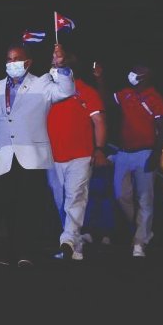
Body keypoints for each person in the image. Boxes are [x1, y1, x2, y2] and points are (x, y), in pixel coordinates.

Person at [0, 43, 74, 267]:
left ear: (28, 62)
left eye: (16, 59)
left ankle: (25, 252)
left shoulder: (43, 83)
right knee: (6, 204)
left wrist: (62, 68)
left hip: (32, 155)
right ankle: (11, 251)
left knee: (27, 205)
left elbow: (66, 90)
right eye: (8, 59)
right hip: (4, 155)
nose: (11, 63)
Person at [45, 48, 107, 261]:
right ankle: (75, 244)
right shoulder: (47, 91)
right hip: (53, 157)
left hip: (81, 155)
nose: (54, 66)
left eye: (59, 64)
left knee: (75, 197)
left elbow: (99, 122)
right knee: (60, 200)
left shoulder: (86, 91)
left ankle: (67, 240)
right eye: (53, 63)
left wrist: (99, 149)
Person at [109, 63, 163, 258]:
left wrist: (155, 154)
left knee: (145, 199)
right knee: (120, 194)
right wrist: (100, 77)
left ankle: (139, 242)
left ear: (145, 77)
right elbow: (105, 99)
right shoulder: (126, 93)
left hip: (145, 153)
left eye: (136, 72)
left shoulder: (155, 98)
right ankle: (141, 227)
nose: (132, 74)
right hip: (124, 153)